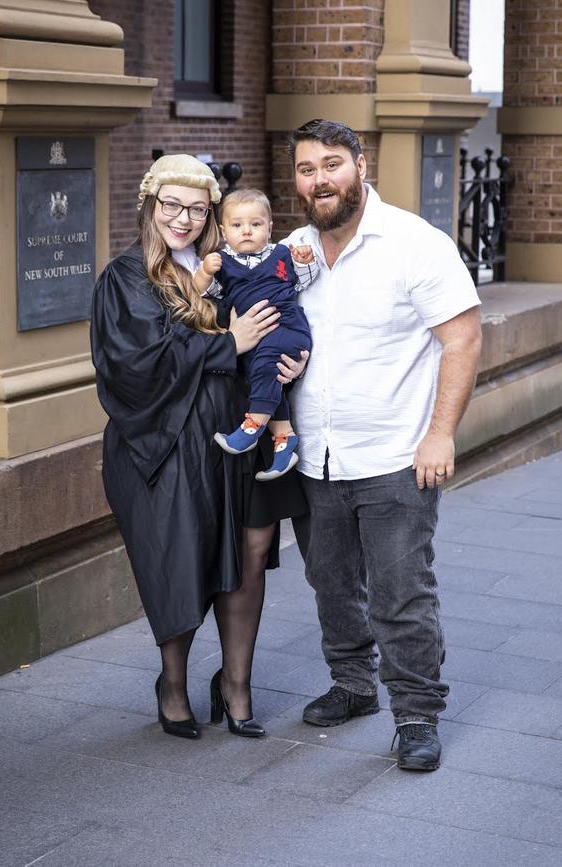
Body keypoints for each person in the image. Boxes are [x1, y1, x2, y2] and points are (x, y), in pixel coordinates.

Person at [284, 119, 482, 771]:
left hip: (397, 455)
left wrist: (441, 432)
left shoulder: (412, 243)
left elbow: (462, 337)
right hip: (315, 457)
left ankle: (417, 712)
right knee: (331, 582)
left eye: (332, 164)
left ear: (361, 165)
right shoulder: (292, 253)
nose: (320, 179)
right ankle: (353, 684)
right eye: (307, 168)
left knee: (401, 590)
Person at [90, 154, 308, 741]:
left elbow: (286, 316)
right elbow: (132, 364)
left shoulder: (234, 267)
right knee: (182, 557)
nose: (183, 219)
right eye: (172, 206)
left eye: (196, 208)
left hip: (243, 432)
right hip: (168, 443)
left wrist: (294, 353)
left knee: (248, 557)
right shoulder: (129, 277)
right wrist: (227, 344)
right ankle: (174, 682)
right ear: (150, 207)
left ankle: (237, 684)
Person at [193, 188, 316, 481]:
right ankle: (284, 440)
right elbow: (201, 292)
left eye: (256, 224)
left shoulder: (282, 254)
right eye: (237, 225)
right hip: (255, 340)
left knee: (264, 372)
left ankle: (252, 426)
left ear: (270, 228)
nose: (246, 231)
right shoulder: (222, 262)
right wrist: (205, 273)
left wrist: (303, 261)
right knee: (265, 381)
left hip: (285, 327)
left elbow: (303, 282)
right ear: (224, 231)